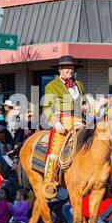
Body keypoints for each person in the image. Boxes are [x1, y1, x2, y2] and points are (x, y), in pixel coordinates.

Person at [42, 55, 86, 199]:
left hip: (80, 121)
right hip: (63, 121)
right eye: (67, 67)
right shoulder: (51, 86)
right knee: (56, 150)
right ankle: (50, 183)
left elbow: (83, 102)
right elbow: (47, 107)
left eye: (72, 67)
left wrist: (87, 106)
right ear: (60, 70)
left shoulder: (79, 84)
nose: (70, 70)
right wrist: (55, 122)